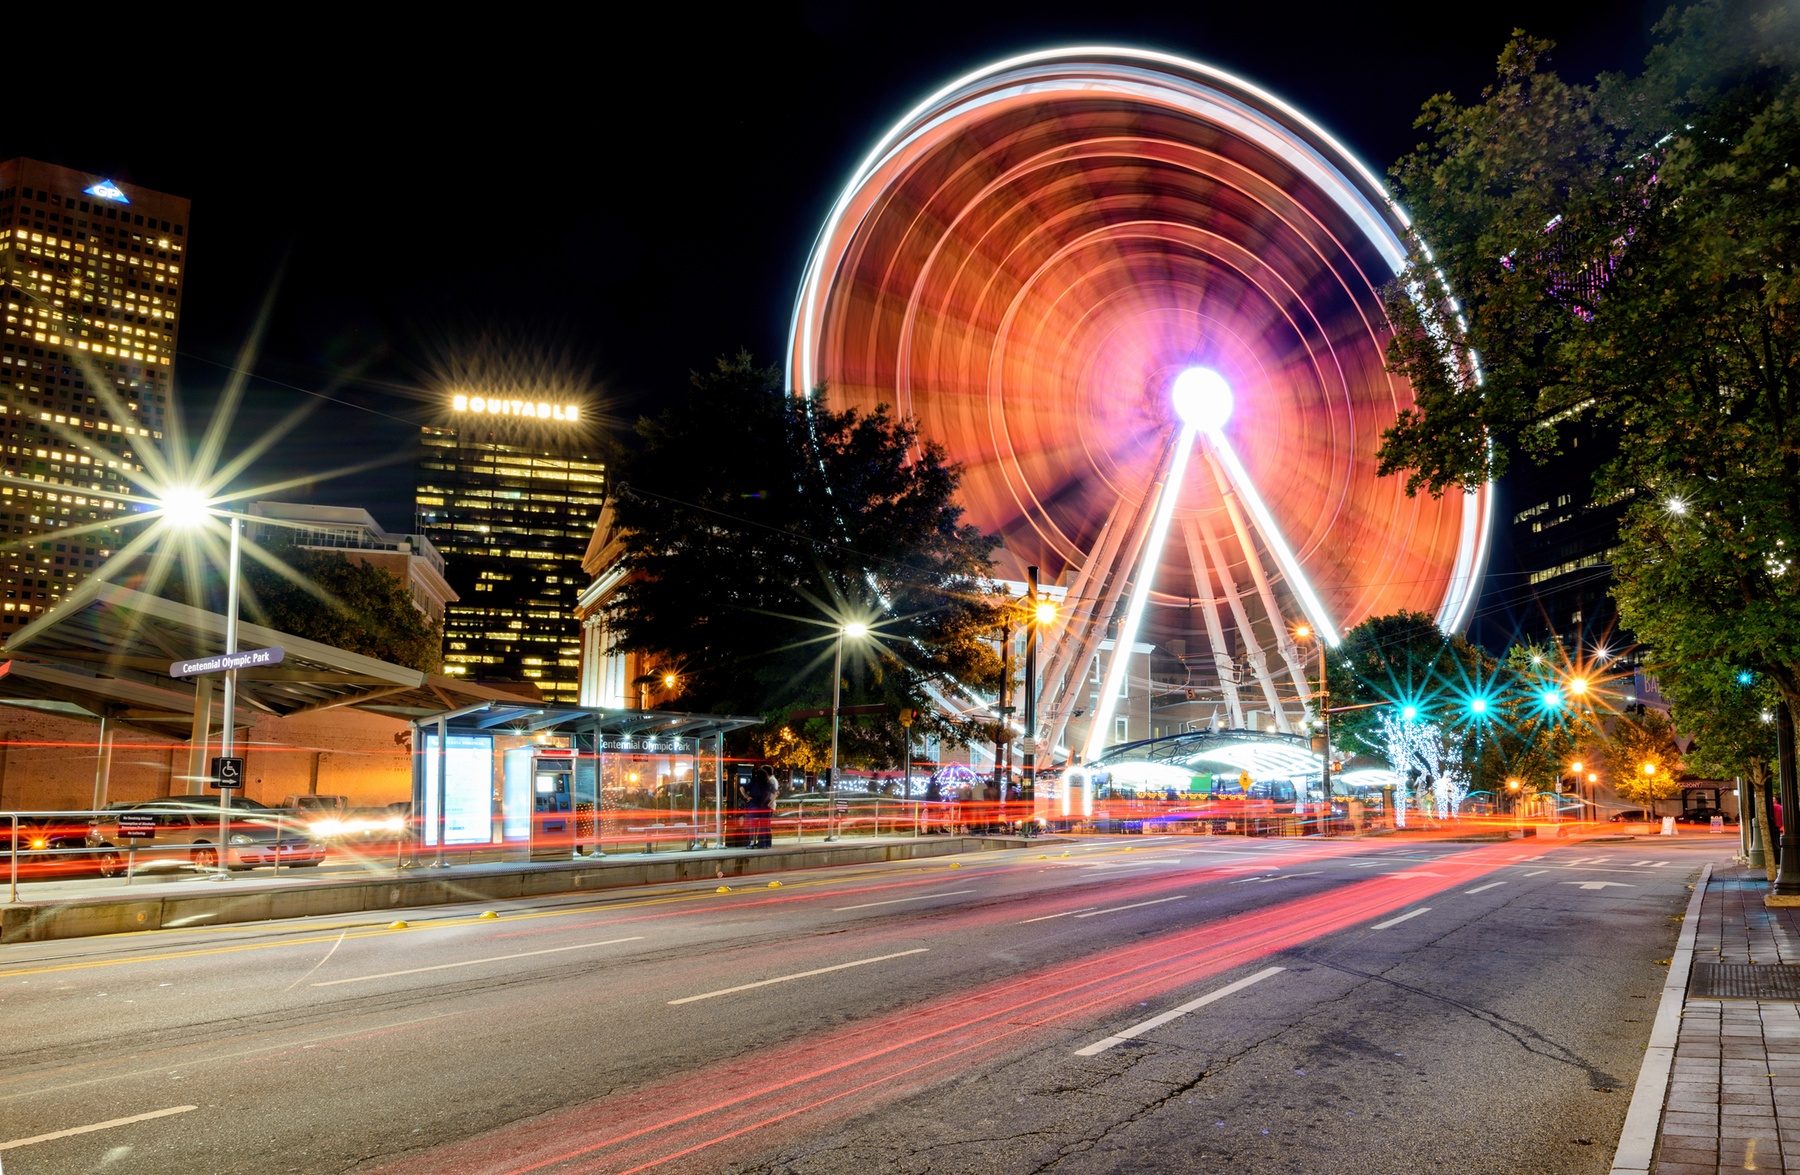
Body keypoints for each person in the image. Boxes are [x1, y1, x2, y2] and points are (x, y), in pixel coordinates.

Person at [746, 767, 779, 848]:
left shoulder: (767, 782)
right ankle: (765, 843)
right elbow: (776, 793)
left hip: (760, 806)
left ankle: (758, 842)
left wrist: (747, 797)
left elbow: (742, 788)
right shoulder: (771, 782)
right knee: (765, 826)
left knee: (756, 825)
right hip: (766, 806)